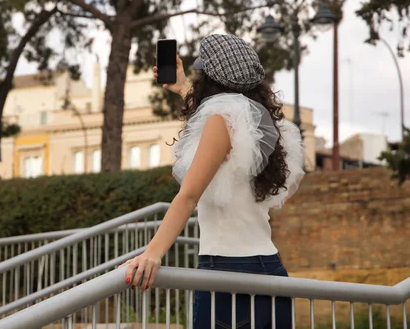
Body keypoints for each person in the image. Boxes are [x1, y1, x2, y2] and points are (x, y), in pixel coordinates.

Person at [122, 34, 304, 328]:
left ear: (208, 76)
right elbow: (224, 137)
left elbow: (189, 195)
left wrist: (152, 254)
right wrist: (182, 88)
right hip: (269, 267)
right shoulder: (262, 121)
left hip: (226, 268)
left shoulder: (220, 119)